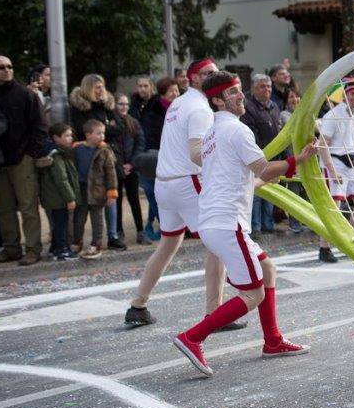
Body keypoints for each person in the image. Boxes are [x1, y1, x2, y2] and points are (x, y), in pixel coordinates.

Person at [172, 71, 318, 376]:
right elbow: (264, 169)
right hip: (227, 224)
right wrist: (298, 160)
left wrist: (266, 177)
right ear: (217, 100)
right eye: (234, 93)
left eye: (240, 91)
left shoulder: (213, 134)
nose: (241, 97)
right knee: (253, 293)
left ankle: (273, 341)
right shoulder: (236, 131)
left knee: (267, 270)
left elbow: (243, 176)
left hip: (217, 222)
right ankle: (192, 337)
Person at [123, 58, 231, 328]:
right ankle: (214, 314)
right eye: (208, 73)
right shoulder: (199, 108)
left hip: (165, 183)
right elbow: (198, 152)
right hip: (186, 182)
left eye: (216, 73)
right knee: (218, 244)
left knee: (168, 244)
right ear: (193, 78)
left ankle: (138, 305)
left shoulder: (178, 103)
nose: (213, 77)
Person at [0, 54, 49, 265]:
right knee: (3, 208)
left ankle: (33, 249)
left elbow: (40, 127)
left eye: (9, 66)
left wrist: (30, 154)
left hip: (22, 158)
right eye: (0, 67)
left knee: (28, 206)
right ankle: (11, 248)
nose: (6, 70)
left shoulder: (25, 94)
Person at [316, 81, 354, 262]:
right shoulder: (332, 115)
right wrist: (331, 170)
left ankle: (351, 242)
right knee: (334, 208)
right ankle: (324, 247)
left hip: (352, 164)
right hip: (335, 163)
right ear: (344, 95)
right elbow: (323, 145)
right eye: (352, 93)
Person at [138, 77, 180, 241]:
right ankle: (164, 226)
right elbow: (151, 135)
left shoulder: (181, 108)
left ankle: (161, 225)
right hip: (157, 156)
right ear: (163, 94)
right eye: (171, 91)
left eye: (176, 90)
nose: (175, 94)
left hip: (175, 158)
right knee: (154, 192)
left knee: (164, 193)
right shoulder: (154, 110)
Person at [241, 73, 283, 234]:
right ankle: (255, 227)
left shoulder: (274, 106)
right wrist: (260, 152)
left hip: (273, 156)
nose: (267, 89)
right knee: (256, 193)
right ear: (253, 89)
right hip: (257, 155)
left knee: (271, 190)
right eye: (262, 86)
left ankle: (268, 224)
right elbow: (251, 132)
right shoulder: (248, 107)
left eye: (269, 86)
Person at [71, 119, 118, 260]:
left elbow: (111, 173)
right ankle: (77, 242)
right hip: (81, 189)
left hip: (98, 190)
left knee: (97, 219)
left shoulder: (104, 151)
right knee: (79, 218)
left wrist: (111, 192)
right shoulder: (77, 149)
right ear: (88, 134)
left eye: (103, 133)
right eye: (98, 133)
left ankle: (96, 244)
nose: (102, 136)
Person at [39, 123, 80, 261]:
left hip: (55, 197)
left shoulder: (58, 152)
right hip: (58, 197)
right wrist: (70, 198)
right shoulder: (57, 155)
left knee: (59, 223)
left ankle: (55, 248)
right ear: (56, 138)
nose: (70, 138)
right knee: (61, 224)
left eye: (70, 135)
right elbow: (61, 179)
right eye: (67, 136)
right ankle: (61, 250)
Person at [112, 94, 147, 244]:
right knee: (117, 201)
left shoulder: (133, 122)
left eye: (126, 104)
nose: (124, 107)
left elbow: (140, 144)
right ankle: (119, 232)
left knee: (134, 200)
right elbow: (110, 146)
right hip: (115, 168)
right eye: (120, 104)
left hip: (131, 167)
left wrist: (131, 164)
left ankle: (140, 231)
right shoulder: (111, 123)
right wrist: (120, 165)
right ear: (114, 105)